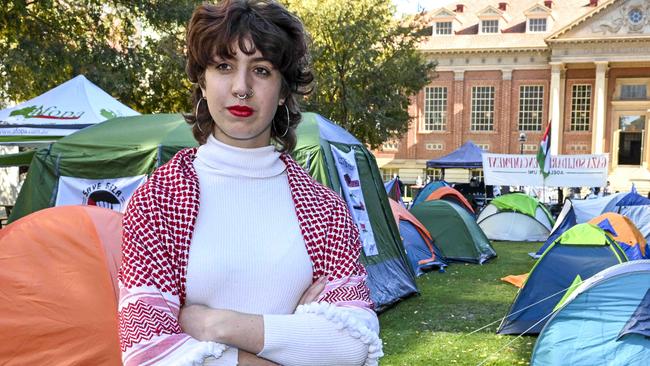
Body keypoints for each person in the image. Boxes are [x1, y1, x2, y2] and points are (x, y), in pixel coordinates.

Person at [117, 1, 382, 365]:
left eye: (261, 70)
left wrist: (216, 323)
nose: (241, 88)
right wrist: (293, 339)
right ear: (202, 80)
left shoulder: (326, 210)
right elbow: (148, 354)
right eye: (224, 66)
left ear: (285, 90)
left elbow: (353, 346)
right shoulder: (156, 203)